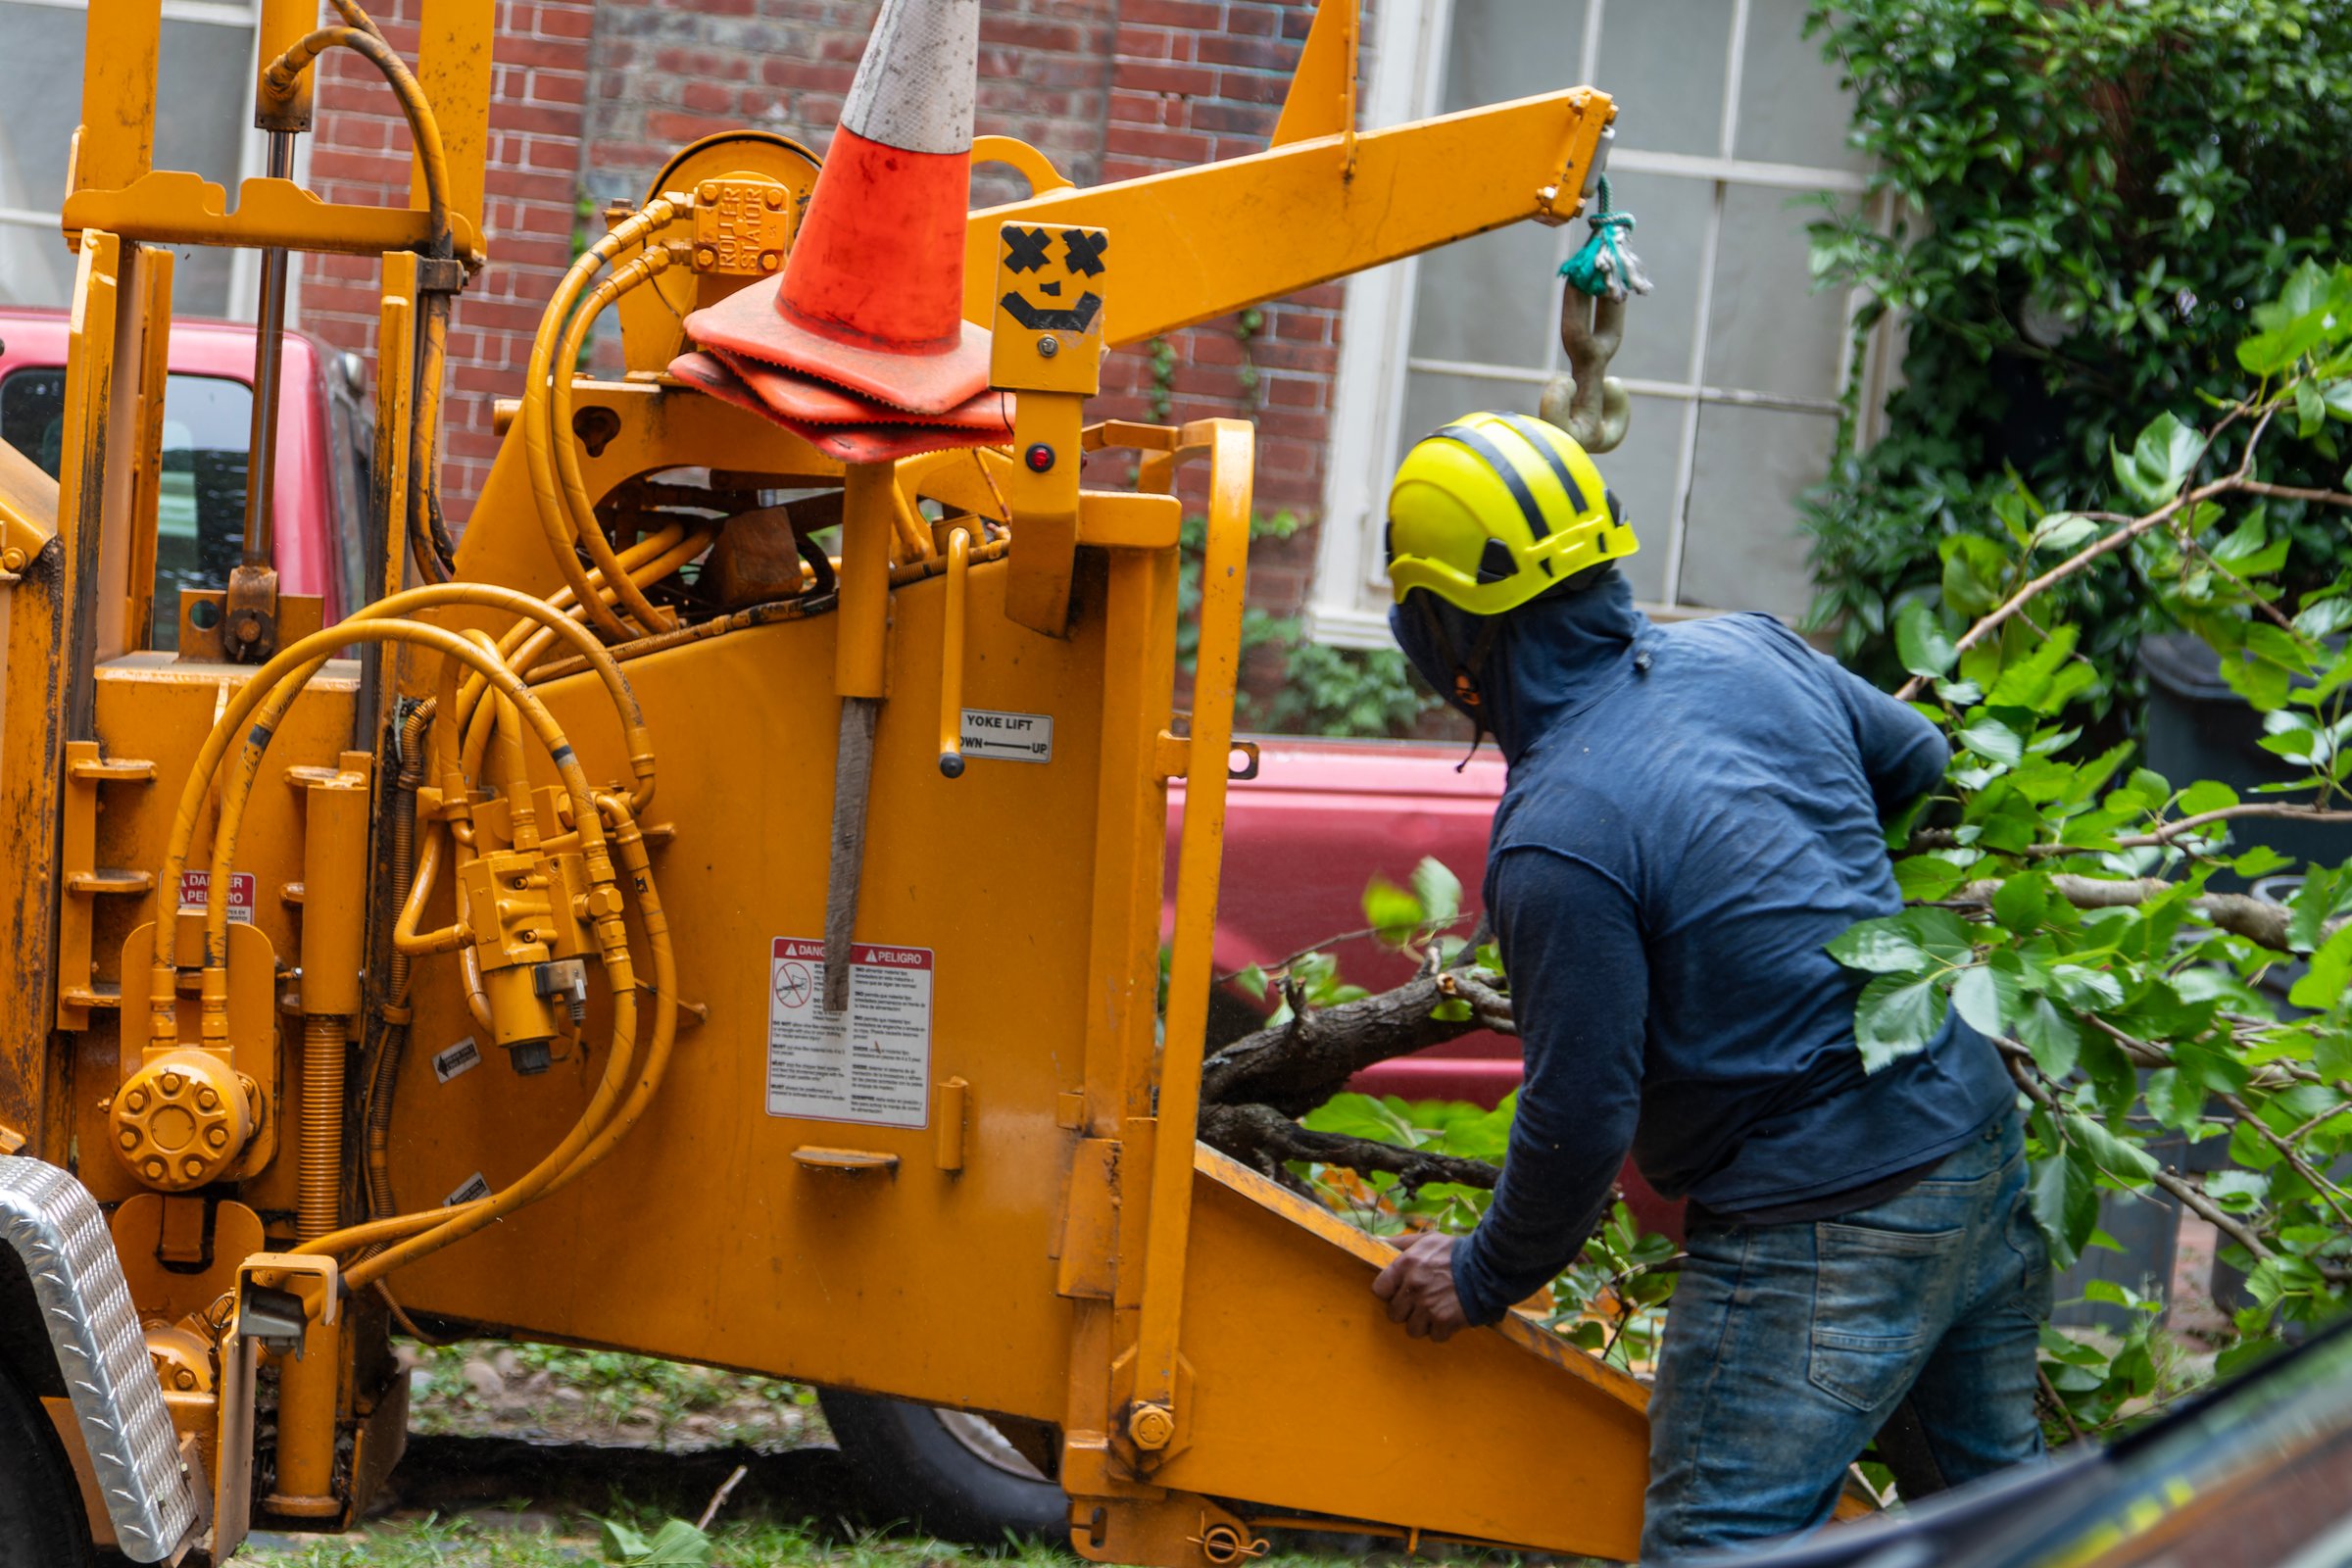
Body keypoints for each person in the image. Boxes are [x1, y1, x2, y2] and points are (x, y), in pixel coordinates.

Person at [1364, 412, 2048, 1561]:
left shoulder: (1559, 834)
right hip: (1973, 1142)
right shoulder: (1750, 649)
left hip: (1821, 1220)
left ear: (1445, 634)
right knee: (2015, 1528)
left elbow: (1582, 1118)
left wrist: (1482, 1274)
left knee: (1718, 1545)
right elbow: (1922, 759)